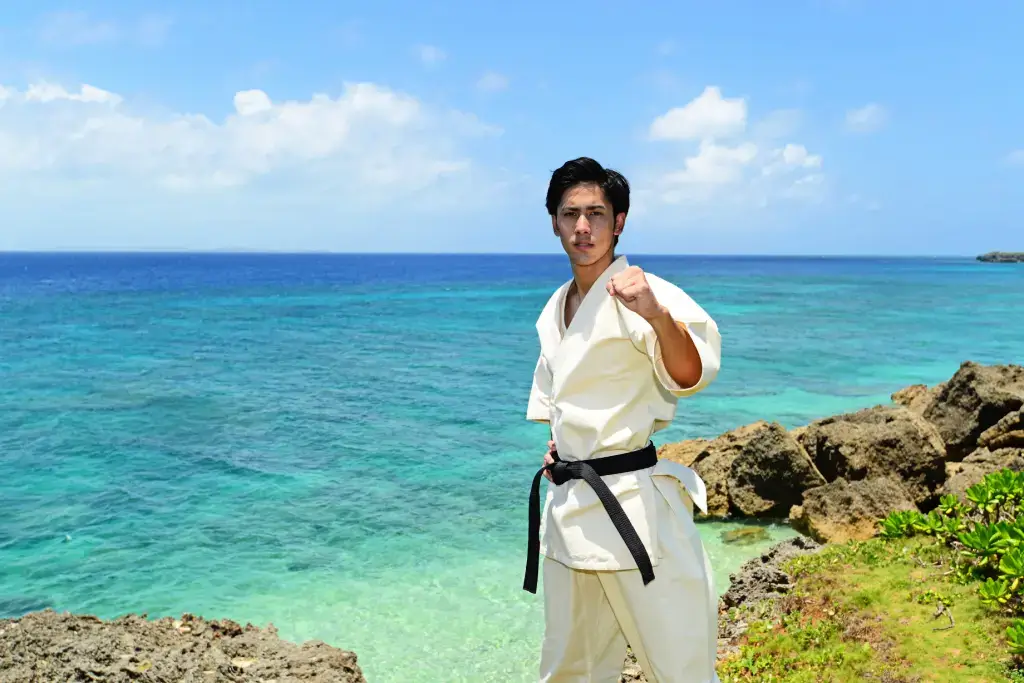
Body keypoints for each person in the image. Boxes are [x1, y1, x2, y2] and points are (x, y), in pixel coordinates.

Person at [523, 157, 722, 682]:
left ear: (621, 220)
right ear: (554, 223)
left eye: (596, 213)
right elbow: (557, 401)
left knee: (678, 664)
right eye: (570, 214)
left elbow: (689, 373)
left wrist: (656, 313)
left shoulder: (644, 291)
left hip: (634, 511)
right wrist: (558, 448)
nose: (582, 227)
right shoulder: (555, 307)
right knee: (571, 667)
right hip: (570, 511)